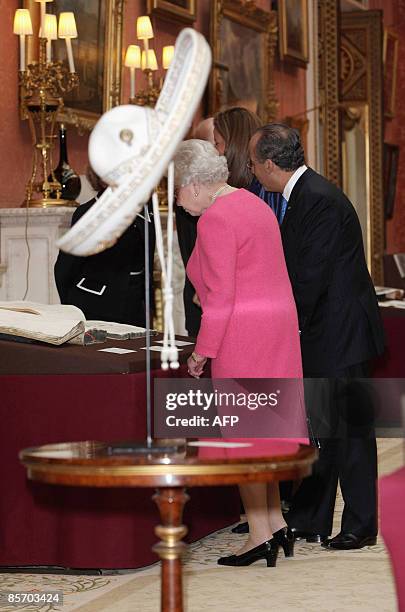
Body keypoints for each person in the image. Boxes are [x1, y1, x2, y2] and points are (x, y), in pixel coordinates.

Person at [248, 124, 385, 549]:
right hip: (328, 330)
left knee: (350, 432)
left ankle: (361, 525)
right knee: (323, 427)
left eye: (254, 165)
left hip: (341, 332)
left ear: (270, 165)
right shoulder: (307, 194)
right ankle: (312, 517)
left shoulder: (318, 200)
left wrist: (278, 325)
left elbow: (309, 277)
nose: (253, 173)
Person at [174, 138, 307, 567]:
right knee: (266, 430)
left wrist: (201, 351)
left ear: (194, 185)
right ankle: (274, 523)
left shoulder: (215, 219)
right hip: (278, 327)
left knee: (246, 436)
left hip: (243, 333)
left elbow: (220, 298)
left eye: (176, 190)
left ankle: (258, 534)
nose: (176, 201)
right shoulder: (254, 203)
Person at [54, 166, 155, 326]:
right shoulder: (88, 213)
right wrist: (70, 307)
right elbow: (65, 268)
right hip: (95, 306)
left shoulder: (144, 211)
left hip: (134, 308)